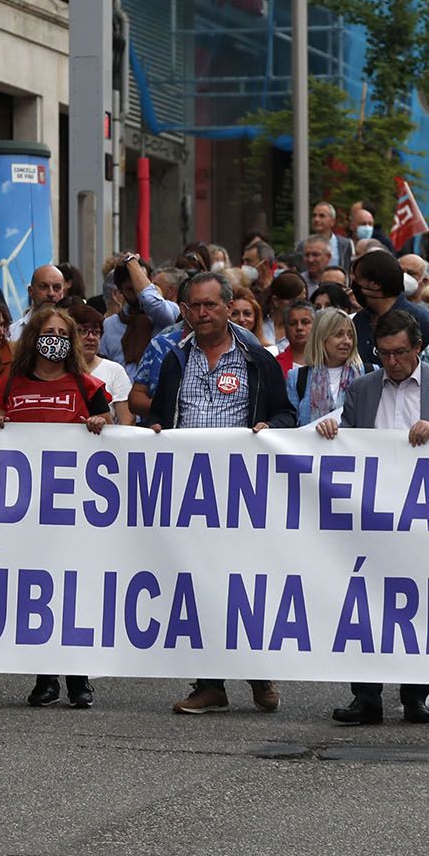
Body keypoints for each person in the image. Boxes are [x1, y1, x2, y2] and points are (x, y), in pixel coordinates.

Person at [316, 309, 429, 726]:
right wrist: (330, 431)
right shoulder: (363, 388)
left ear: (418, 348)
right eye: (384, 353)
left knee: (418, 604)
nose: (392, 362)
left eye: (401, 353)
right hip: (372, 514)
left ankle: (415, 695)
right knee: (365, 601)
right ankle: (366, 695)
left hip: (426, 515)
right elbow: (349, 438)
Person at [147, 270, 296, 715]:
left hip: (242, 497)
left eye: (210, 304)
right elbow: (158, 416)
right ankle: (209, 685)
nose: (202, 313)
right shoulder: (175, 358)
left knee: (242, 585)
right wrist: (154, 431)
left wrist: (270, 428)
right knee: (199, 585)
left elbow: (286, 413)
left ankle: (258, 674)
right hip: (190, 495)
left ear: (229, 307)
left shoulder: (256, 358)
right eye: (193, 305)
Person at [0, 305, 114, 709]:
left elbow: (111, 421)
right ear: (34, 337)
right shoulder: (10, 385)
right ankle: (45, 679)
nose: (54, 338)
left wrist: (101, 423)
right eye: (47, 331)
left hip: (73, 510)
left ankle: (78, 679)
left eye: (62, 331)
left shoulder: (87, 386)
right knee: (35, 591)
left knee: (73, 591)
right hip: (26, 511)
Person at [350, 250, 429, 370]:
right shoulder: (360, 320)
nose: (354, 285)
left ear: (375, 285)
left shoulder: (421, 321)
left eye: (357, 279)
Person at [101, 252, 181, 366]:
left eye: (141, 286)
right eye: (130, 289)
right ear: (120, 289)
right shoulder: (109, 325)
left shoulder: (169, 311)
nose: (138, 294)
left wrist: (131, 261)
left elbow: (150, 301)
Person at [289, 307, 364, 426]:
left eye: (350, 335)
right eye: (339, 335)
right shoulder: (297, 377)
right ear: (321, 338)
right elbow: (289, 422)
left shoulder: (369, 373)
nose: (347, 341)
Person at [69, 304, 132, 426]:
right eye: (83, 331)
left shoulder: (115, 370)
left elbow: (127, 422)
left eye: (96, 332)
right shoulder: (57, 370)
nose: (91, 337)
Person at [7, 263, 69, 342]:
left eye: (56, 288)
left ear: (63, 292)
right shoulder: (13, 333)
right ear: (31, 291)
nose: (51, 293)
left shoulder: (73, 330)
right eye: (44, 287)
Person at [309, 201, 353, 273]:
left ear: (332, 221)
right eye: (314, 216)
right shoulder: (303, 245)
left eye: (322, 216)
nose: (316, 219)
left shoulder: (345, 244)